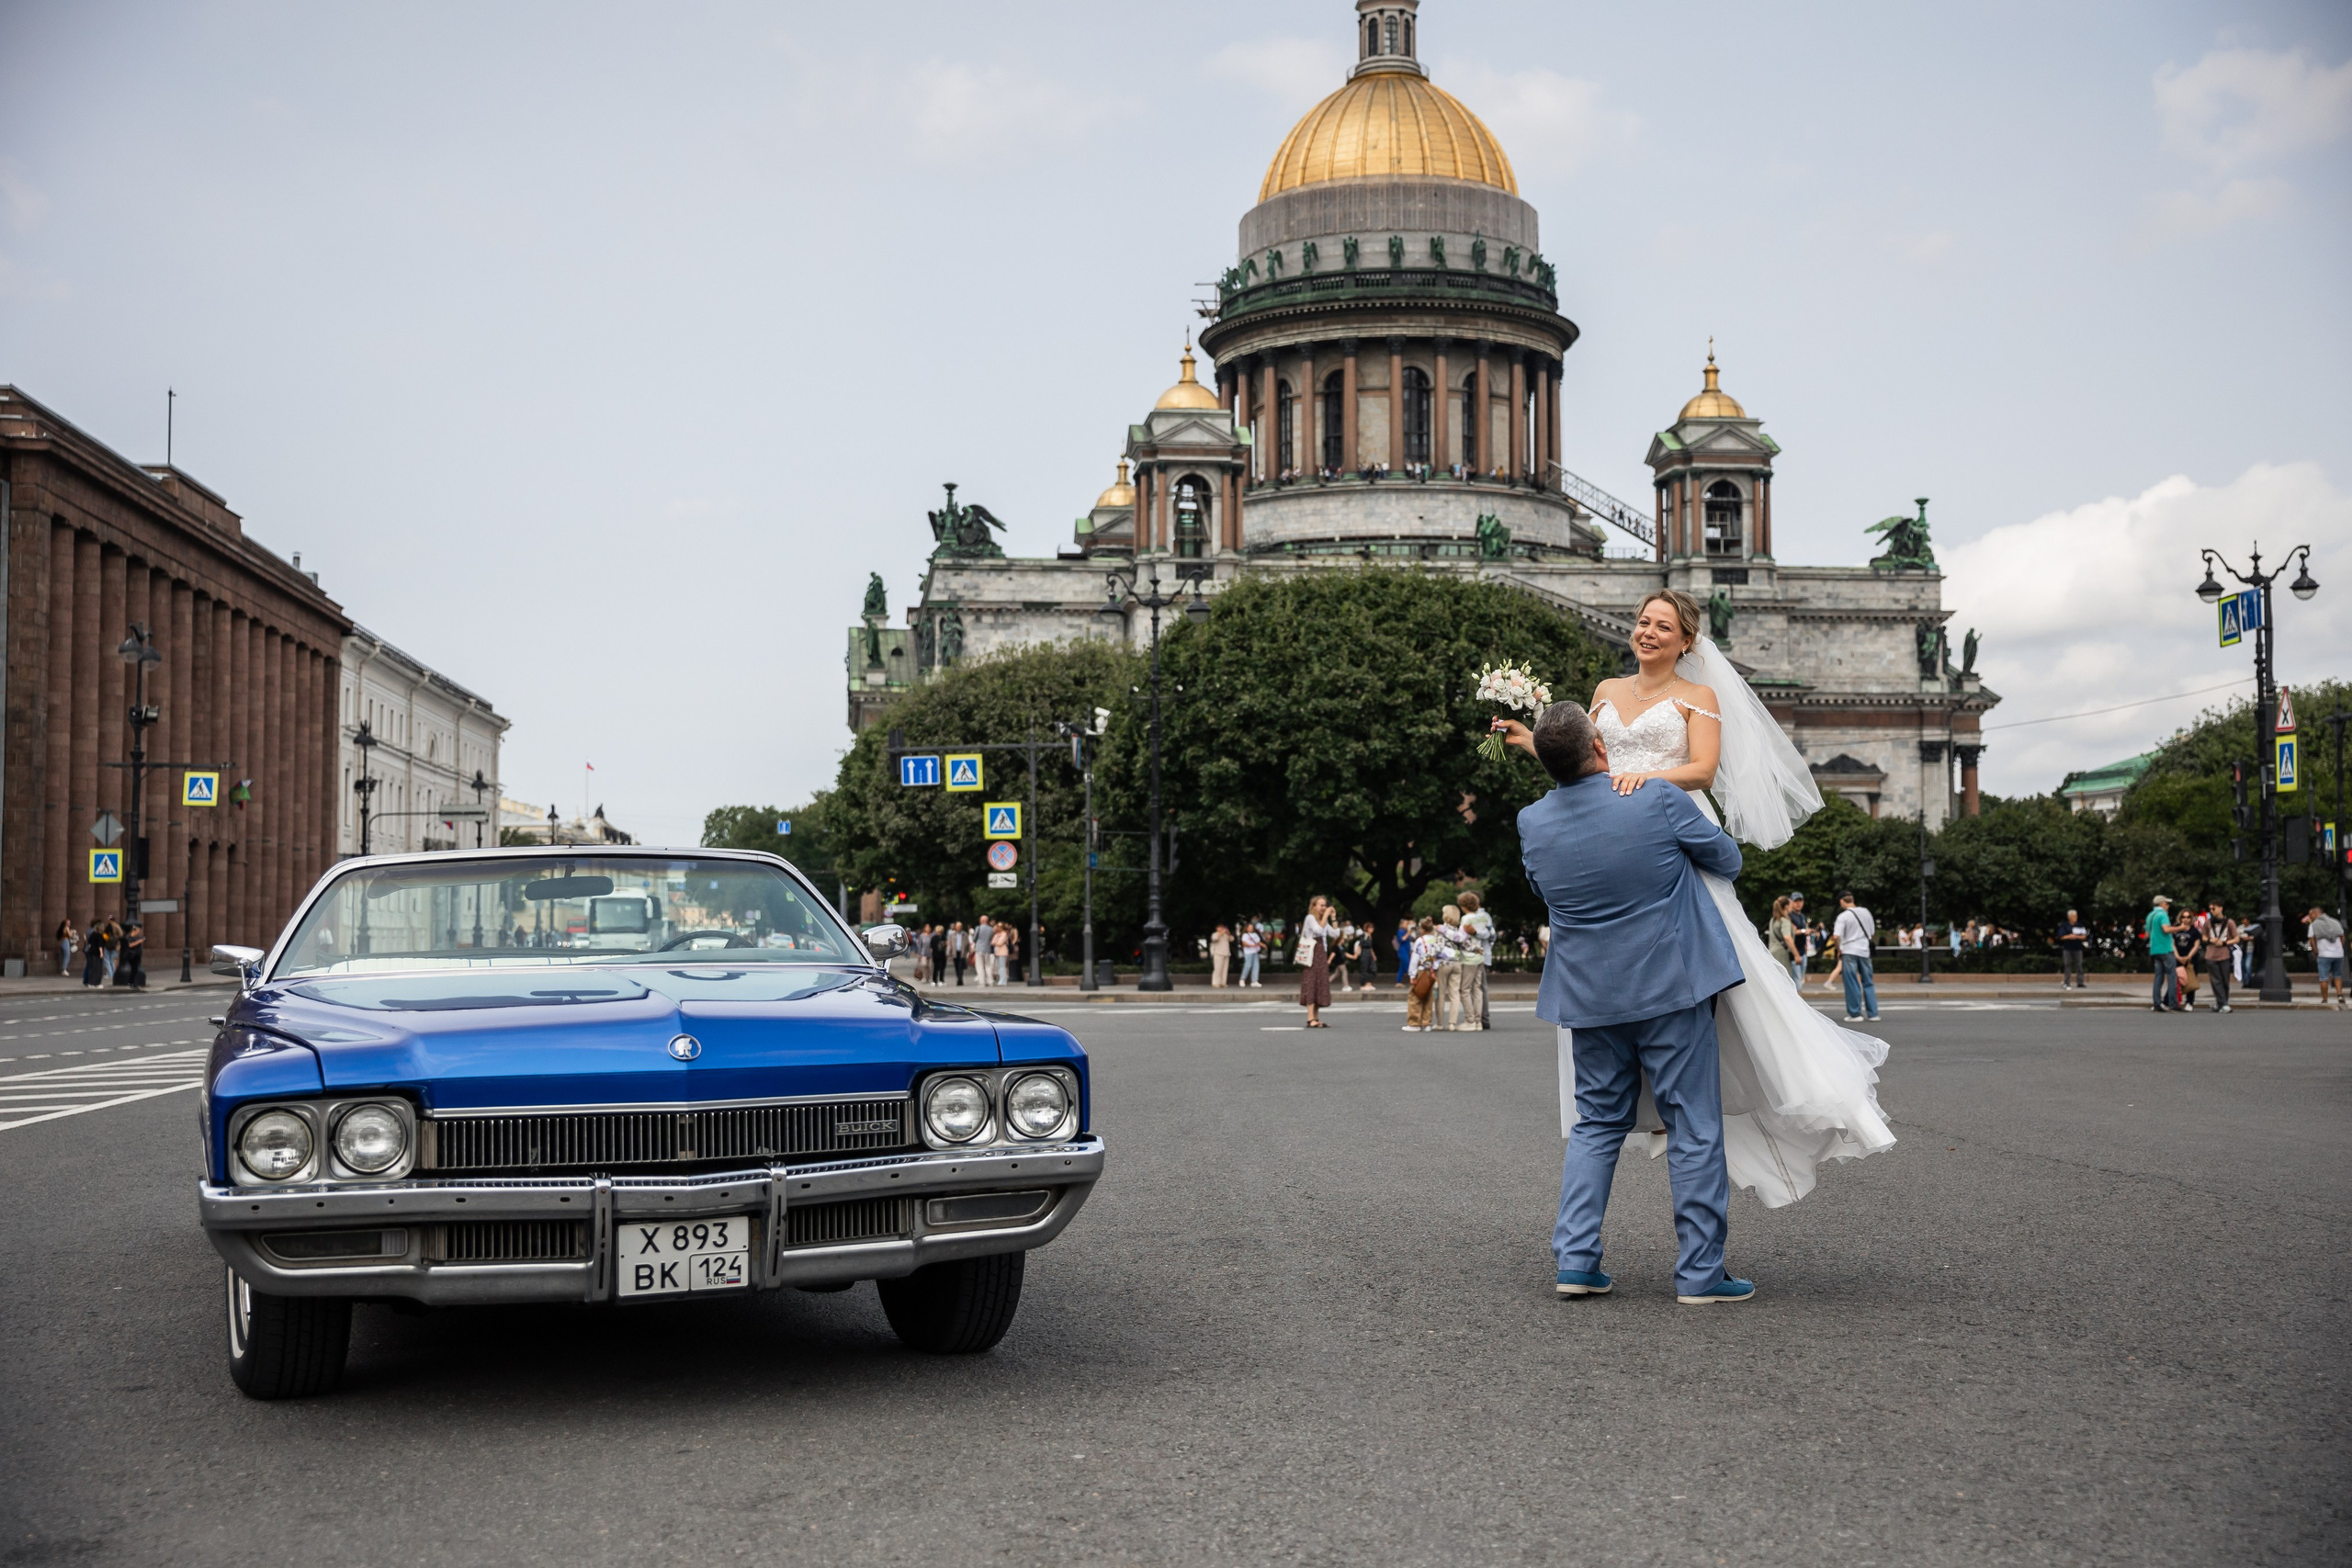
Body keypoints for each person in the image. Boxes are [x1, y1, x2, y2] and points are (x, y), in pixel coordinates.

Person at [1496, 586, 1894, 1212]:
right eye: (1641, 621)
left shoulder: (1698, 696)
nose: (1646, 632)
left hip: (1672, 832)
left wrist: (1643, 778)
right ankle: (1662, 1104)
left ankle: (1717, 1091)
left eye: (1661, 625)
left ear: (1687, 641)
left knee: (1713, 978)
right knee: (1636, 981)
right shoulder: (1605, 690)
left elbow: (1704, 771)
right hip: (1613, 834)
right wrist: (1530, 742)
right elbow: (1583, 759)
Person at [1512, 698, 1753, 1304]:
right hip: (1669, 982)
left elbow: (1544, 888)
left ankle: (1575, 1259)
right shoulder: (1653, 797)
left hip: (1588, 991)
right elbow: (1728, 858)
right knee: (1692, 1122)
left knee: (1595, 1123)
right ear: (1601, 747)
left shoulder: (1532, 821)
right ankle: (1700, 1272)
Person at [1835, 892, 1879, 1022]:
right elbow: (1871, 934)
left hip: (1849, 951)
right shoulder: (1866, 912)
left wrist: (1839, 949)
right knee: (1868, 982)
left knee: (1852, 982)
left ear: (1842, 901)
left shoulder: (1843, 916)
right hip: (1864, 951)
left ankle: (1855, 1014)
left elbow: (1836, 936)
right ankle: (1873, 1014)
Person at [1297, 896, 1337, 1027]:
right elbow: (1318, 930)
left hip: (1322, 953)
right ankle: (1310, 1018)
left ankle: (1316, 1017)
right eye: (1321, 905)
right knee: (1311, 982)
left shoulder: (1323, 920)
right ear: (1314, 906)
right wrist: (1325, 916)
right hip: (1312, 953)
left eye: (1325, 905)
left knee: (1320, 983)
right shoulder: (1310, 918)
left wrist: (1333, 918)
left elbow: (1335, 934)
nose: (1323, 908)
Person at [1459, 890, 1494, 1029]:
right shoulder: (1484, 918)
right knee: (1478, 988)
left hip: (1469, 957)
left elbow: (1461, 938)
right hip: (1480, 954)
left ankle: (1470, 1020)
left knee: (1465, 989)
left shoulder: (1466, 919)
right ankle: (1479, 1020)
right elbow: (1491, 934)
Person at [2143, 897, 2182, 1013]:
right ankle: (2173, 1003)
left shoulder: (2150, 915)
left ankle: (2157, 1003)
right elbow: (2166, 929)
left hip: (2155, 950)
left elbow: (2146, 934)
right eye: (2166, 903)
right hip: (2166, 949)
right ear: (2160, 904)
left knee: (2158, 977)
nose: (2168, 906)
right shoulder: (2163, 914)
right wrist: (2181, 928)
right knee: (2172, 976)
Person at [1434, 906, 1468, 1031]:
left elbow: (1438, 947)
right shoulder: (1460, 930)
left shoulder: (1440, 929)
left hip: (1444, 964)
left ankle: (1439, 1023)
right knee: (1455, 994)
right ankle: (1452, 1023)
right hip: (1457, 963)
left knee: (1441, 994)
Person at [1402, 917, 1439, 1032]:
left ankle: (1414, 1023)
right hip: (1433, 971)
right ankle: (1426, 1023)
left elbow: (1415, 959)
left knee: (1414, 996)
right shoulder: (1436, 939)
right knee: (1428, 996)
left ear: (1422, 929)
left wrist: (1412, 975)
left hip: (1422, 970)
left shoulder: (1420, 941)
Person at [2307, 907, 2346, 1010]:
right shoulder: (2335, 922)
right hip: (2338, 954)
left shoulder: (2313, 925)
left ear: (2316, 914)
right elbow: (2342, 936)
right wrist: (2339, 948)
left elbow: (2311, 940)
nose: (2310, 917)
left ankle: (2325, 999)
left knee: (2324, 978)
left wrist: (2315, 951)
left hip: (2324, 954)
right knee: (2337, 976)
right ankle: (2339, 995)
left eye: (2311, 915)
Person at [1766, 896, 1798, 979]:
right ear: (1786, 906)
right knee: (1785, 980)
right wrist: (1796, 955)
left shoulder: (1773, 920)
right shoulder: (1785, 921)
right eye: (1790, 904)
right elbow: (1787, 937)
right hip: (1782, 953)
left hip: (1772, 951)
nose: (1792, 906)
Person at [2057, 909, 2089, 989]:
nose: (2075, 918)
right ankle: (2067, 982)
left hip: (2078, 948)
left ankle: (2080, 982)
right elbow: (2061, 936)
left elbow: (2084, 936)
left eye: (2076, 916)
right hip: (2067, 948)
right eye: (2073, 916)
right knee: (2067, 965)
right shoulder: (2065, 925)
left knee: (2079, 965)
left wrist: (2077, 937)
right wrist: (2069, 936)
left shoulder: (2080, 925)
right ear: (2069, 917)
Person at [1783, 893, 1810, 987]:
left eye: (1800, 901)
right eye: (1796, 901)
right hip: (1794, 953)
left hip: (1802, 951)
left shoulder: (1802, 916)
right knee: (1796, 982)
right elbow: (1791, 933)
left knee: (1800, 980)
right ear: (1791, 902)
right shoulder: (1788, 915)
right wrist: (1804, 931)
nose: (1798, 903)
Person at [119, 919, 145, 990]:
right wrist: (138, 942)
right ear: (134, 930)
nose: (138, 932)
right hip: (132, 956)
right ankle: (130, 983)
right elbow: (130, 945)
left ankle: (133, 983)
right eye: (137, 930)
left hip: (137, 955)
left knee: (135, 970)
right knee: (133, 970)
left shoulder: (137, 937)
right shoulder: (129, 937)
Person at [1239, 922, 1263, 988]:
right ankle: (1242, 979)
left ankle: (1254, 981)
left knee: (1256, 966)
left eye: (1252, 927)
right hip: (1248, 952)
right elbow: (1244, 943)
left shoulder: (1255, 934)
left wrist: (1264, 945)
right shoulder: (1245, 935)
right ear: (1247, 928)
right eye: (1250, 927)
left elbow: (1258, 942)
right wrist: (1252, 945)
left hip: (1255, 952)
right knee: (1248, 966)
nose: (1251, 928)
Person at [1210, 924, 1232, 988]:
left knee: (1225, 969)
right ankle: (1215, 982)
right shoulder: (1215, 934)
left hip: (1226, 953)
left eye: (1222, 927)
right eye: (1219, 927)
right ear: (1216, 928)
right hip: (1218, 953)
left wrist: (1228, 933)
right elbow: (1215, 939)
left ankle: (1223, 982)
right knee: (1217, 969)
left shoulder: (1226, 935)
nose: (1221, 928)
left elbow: (1232, 939)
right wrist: (1221, 933)